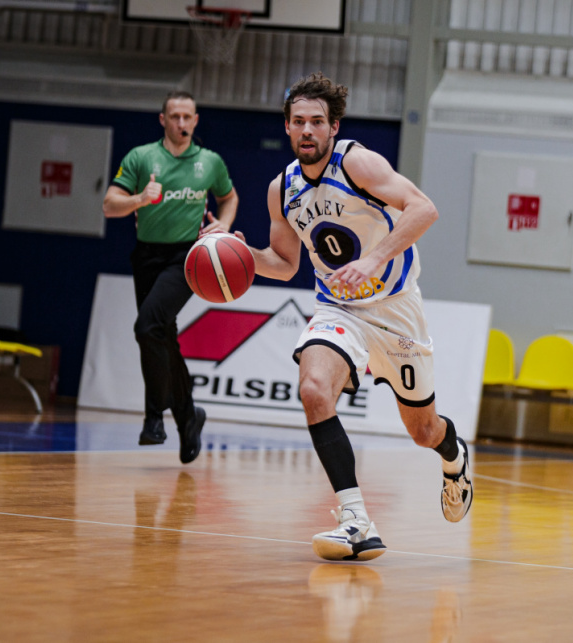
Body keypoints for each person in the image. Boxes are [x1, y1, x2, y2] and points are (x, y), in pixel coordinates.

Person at [235, 72, 473, 561]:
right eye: (298, 121)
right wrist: (241, 255)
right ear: (287, 127)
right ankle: (356, 520)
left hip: (396, 310)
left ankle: (454, 457)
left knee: (423, 431)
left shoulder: (357, 163)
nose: (307, 130)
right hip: (338, 307)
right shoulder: (282, 190)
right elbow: (285, 264)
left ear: (333, 127)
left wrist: (374, 257)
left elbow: (424, 209)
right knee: (312, 389)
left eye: (317, 121)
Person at [103, 90, 238, 464]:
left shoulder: (210, 161)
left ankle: (153, 418)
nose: (181, 123)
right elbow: (109, 205)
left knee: (147, 326)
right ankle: (188, 416)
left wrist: (224, 225)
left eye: (187, 117)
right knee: (162, 335)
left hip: (186, 258)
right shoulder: (141, 157)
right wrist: (139, 199)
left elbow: (229, 197)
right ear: (163, 120)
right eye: (174, 116)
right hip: (147, 255)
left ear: (196, 121)